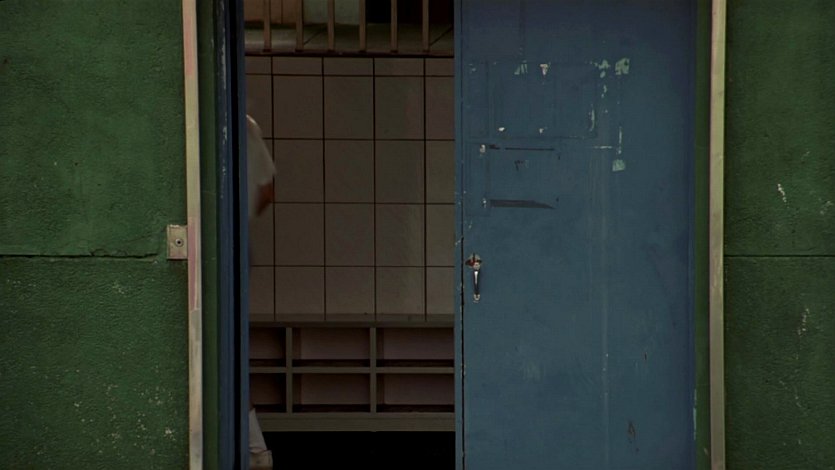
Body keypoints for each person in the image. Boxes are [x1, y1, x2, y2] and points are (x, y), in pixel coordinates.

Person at [245, 114, 275, 470]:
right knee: (234, 353)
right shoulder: (246, 125)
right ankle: (255, 451)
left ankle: (255, 451)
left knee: (221, 353)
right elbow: (267, 191)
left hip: (217, 246)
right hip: (238, 244)